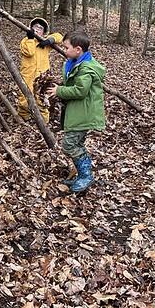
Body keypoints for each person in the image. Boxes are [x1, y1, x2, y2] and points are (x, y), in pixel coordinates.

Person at [46, 30, 105, 193]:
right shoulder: (75, 62)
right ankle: (82, 173)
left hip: (83, 113)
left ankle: (86, 175)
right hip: (78, 112)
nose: (64, 51)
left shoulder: (86, 68)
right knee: (75, 143)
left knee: (69, 144)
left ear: (78, 49)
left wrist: (60, 91)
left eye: (66, 48)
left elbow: (80, 90)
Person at [18, 18, 63, 123]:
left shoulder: (46, 43)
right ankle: (24, 120)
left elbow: (59, 37)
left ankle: (44, 122)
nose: (37, 29)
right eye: (35, 27)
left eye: (40, 28)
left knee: (42, 100)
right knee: (24, 99)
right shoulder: (25, 41)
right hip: (27, 75)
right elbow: (29, 52)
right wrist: (30, 39)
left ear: (44, 32)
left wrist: (50, 40)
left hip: (42, 77)